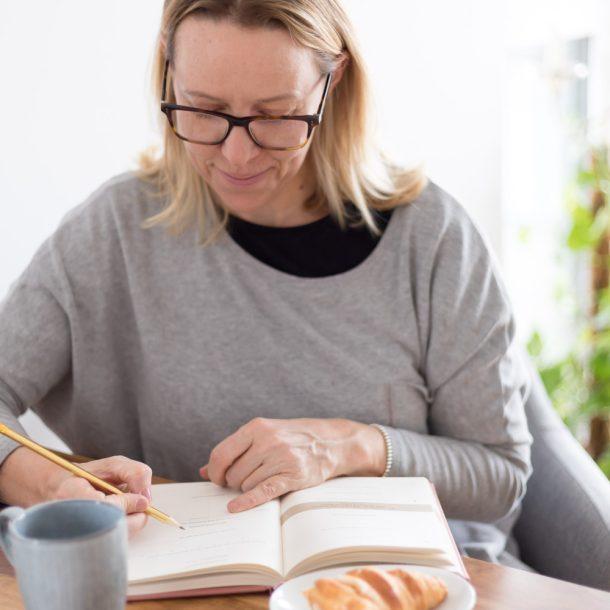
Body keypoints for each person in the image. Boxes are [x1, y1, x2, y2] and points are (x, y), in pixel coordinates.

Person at [0, 0, 532, 565]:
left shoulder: (433, 239)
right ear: (168, 73)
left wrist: (350, 446)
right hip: (196, 586)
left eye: (276, 115)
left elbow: (500, 475)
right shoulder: (115, 231)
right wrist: (47, 483)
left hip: (415, 583)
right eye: (204, 111)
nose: (236, 154)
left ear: (334, 82)